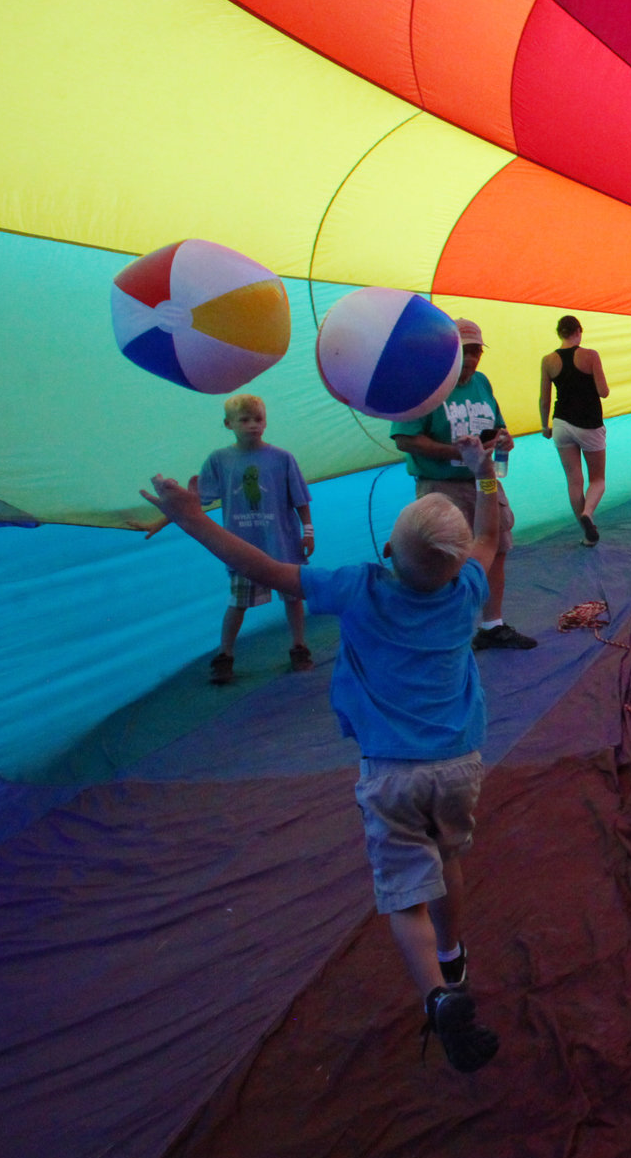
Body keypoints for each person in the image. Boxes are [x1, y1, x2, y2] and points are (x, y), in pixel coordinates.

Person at [139, 477, 505, 1072]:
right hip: (458, 766)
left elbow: (262, 566)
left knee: (404, 893)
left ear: (387, 550)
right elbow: (490, 532)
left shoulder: (357, 589)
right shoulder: (468, 588)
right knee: (447, 859)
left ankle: (438, 995)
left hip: (391, 772)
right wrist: (483, 468)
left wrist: (190, 517)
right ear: (458, 563)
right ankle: (454, 953)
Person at [392, 318, 535, 650]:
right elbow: (404, 438)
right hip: (443, 487)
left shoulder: (482, 383)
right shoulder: (425, 384)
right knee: (443, 559)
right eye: (464, 352)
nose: (471, 360)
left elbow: (498, 426)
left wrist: (503, 441)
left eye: (475, 353)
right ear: (447, 353)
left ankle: (492, 625)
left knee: (497, 547)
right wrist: (455, 452)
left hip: (484, 482)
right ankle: (444, 632)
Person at [197, 392, 315, 685]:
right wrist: (166, 514)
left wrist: (308, 531)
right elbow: (196, 500)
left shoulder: (282, 459)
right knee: (238, 602)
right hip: (243, 549)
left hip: (282, 546)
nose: (253, 425)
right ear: (229, 424)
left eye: (258, 419)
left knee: (293, 597)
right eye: (245, 419)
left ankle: (299, 646)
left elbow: (300, 499)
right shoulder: (220, 461)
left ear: (266, 421)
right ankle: (225, 655)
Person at [537, 315, 610, 547]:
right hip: (588, 422)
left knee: (573, 481)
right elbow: (603, 392)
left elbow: (544, 399)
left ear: (559, 333)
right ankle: (588, 513)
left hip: (561, 424)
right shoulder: (590, 356)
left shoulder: (548, 360)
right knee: (597, 479)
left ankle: (587, 534)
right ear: (579, 331)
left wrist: (544, 425)